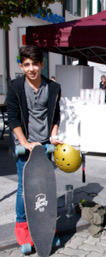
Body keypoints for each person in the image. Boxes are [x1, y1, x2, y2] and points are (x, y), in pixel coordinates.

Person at [6, 45, 63, 241]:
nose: (32, 69)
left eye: (35, 64)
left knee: (45, 186)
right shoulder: (15, 87)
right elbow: (12, 118)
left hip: (44, 144)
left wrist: (53, 136)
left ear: (42, 64)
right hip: (25, 145)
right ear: (21, 66)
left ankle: (45, 224)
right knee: (25, 187)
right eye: (27, 64)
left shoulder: (53, 88)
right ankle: (22, 225)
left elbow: (56, 115)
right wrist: (25, 143)